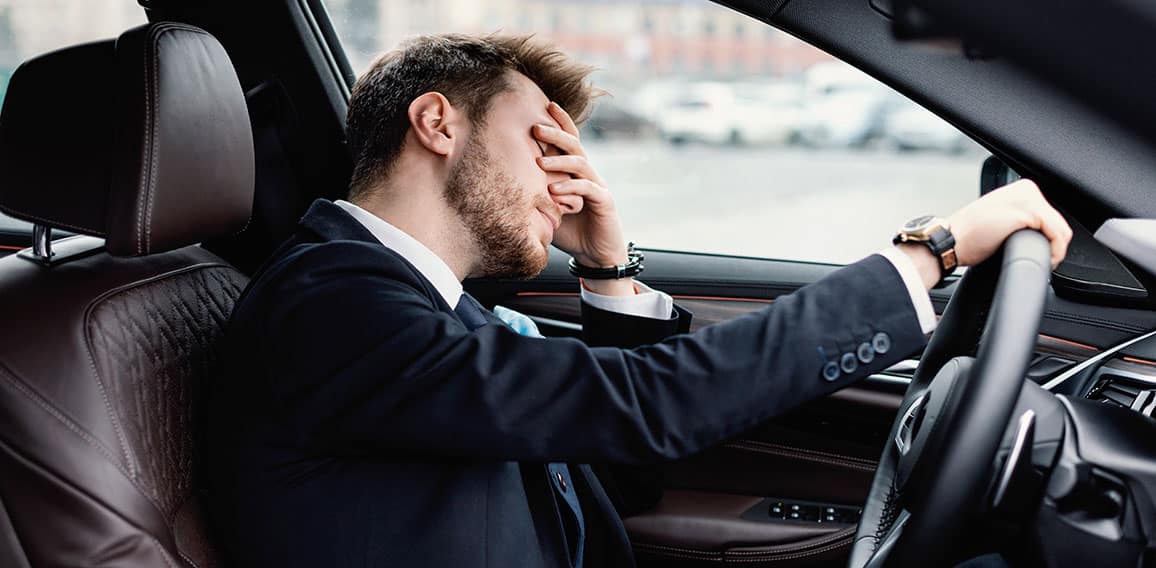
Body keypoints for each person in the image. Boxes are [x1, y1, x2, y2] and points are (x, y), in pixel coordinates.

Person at [205, 33, 1072, 567]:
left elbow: (614, 477)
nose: (570, 181)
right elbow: (653, 405)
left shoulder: (431, 307)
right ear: (438, 123)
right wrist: (931, 252)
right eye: (545, 138)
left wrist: (608, 269)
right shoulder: (331, 306)